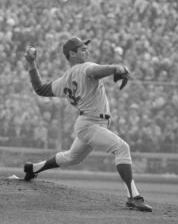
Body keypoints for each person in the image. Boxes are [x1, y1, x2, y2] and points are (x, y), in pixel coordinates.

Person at [22, 37, 152, 212]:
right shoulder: (85, 68)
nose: (86, 51)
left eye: (86, 48)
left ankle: (33, 168)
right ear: (72, 54)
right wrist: (116, 68)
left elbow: (39, 89)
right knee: (122, 148)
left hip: (88, 123)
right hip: (90, 124)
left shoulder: (65, 79)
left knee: (72, 157)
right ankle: (133, 197)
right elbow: (96, 72)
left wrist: (31, 64)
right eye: (82, 49)